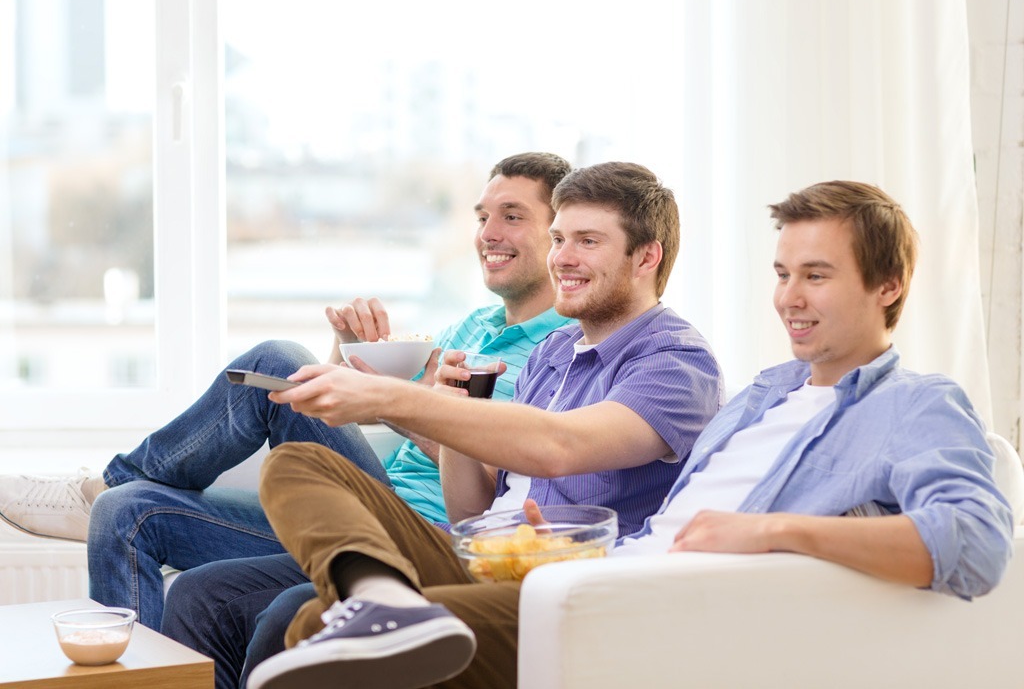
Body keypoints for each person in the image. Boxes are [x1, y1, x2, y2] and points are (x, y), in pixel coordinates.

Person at [247, 179, 1013, 689]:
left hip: (642, 611)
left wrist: (775, 530)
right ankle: (389, 604)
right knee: (300, 465)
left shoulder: (917, 404)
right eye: (781, 274)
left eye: (816, 275)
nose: (789, 298)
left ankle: (389, 613)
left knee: (312, 623)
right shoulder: (761, 397)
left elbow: (973, 546)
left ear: (888, 287)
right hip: (590, 569)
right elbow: (643, 513)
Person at [0, 152, 577, 635]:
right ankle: (113, 514)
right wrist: (346, 360)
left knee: (277, 357)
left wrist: (393, 403)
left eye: (511, 215)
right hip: (350, 511)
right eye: (481, 217)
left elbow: (499, 482)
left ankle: (107, 478)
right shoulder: (469, 327)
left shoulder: (562, 352)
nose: (488, 234)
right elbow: (365, 421)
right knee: (125, 513)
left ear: (557, 236)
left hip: (423, 535)